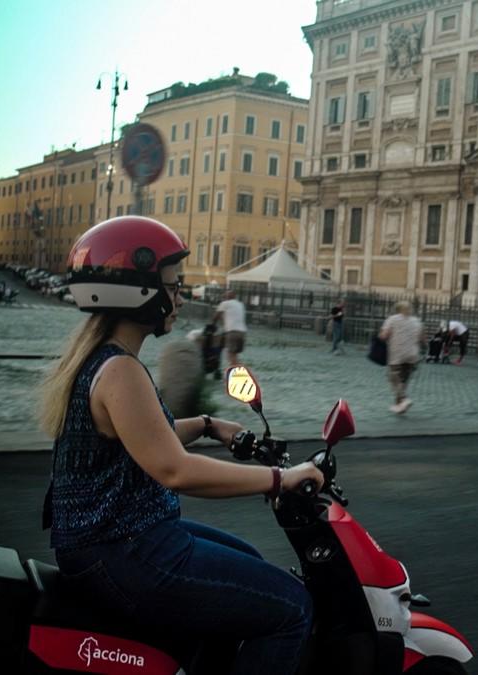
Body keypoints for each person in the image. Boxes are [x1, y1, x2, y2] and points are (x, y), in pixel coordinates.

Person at [37, 216, 322, 675]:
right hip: (123, 551)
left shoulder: (103, 360)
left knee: (248, 560)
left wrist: (210, 425)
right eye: (172, 286)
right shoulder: (120, 372)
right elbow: (175, 470)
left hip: (115, 543)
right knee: (292, 608)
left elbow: (147, 434)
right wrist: (280, 479)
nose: (180, 297)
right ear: (139, 291)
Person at [379, 300, 426, 414]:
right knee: (403, 380)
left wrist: (380, 336)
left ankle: (404, 399)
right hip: (412, 354)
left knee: (393, 377)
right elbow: (422, 339)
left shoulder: (392, 319)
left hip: (397, 353)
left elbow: (384, 336)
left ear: (398, 309)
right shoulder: (417, 321)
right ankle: (399, 405)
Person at [213, 289, 247, 368]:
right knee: (235, 355)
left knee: (230, 355)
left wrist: (212, 325)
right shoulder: (240, 304)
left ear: (226, 296)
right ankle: (239, 370)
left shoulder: (224, 303)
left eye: (225, 295)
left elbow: (216, 316)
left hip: (232, 332)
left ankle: (236, 374)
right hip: (242, 332)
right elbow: (231, 316)